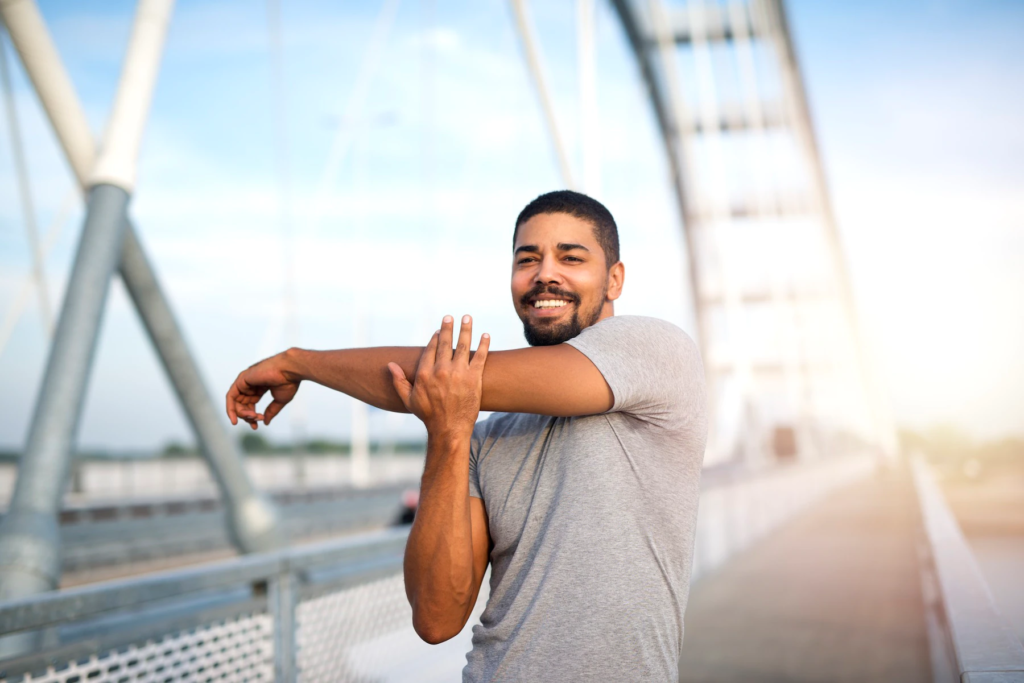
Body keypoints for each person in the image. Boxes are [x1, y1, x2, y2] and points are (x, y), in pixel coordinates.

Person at [225, 190, 708, 682]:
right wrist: (447, 437)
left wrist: (298, 363)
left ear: (615, 280)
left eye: (571, 257)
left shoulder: (656, 350)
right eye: (527, 259)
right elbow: (436, 619)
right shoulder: (482, 437)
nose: (545, 273)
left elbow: (442, 377)